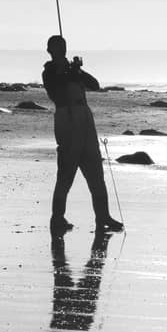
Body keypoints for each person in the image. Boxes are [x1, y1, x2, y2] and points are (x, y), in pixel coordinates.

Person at [42, 35, 123, 235]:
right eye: (58, 48)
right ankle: (57, 218)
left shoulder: (72, 70)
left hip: (85, 121)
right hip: (66, 120)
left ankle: (103, 216)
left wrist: (77, 71)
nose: (62, 50)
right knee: (65, 175)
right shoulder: (49, 72)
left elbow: (95, 84)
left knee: (96, 172)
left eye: (63, 47)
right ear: (50, 51)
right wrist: (71, 72)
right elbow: (56, 92)